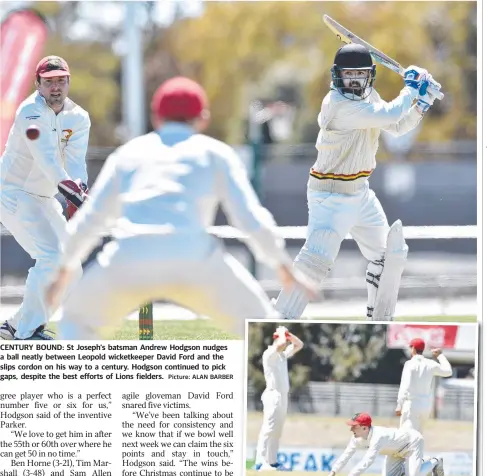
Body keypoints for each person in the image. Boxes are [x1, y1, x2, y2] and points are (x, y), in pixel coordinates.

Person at [45, 77, 316, 339]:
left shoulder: (128, 153)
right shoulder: (216, 153)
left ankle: (85, 386)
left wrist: (64, 270)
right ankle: (277, 385)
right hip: (195, 258)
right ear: (203, 118)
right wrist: (283, 267)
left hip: (130, 257)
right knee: (263, 332)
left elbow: (92, 219)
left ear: (155, 117)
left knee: (75, 322)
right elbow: (249, 218)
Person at [274, 43, 441, 321]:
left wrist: (422, 103)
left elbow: (397, 127)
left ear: (369, 76)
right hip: (330, 195)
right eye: (348, 74)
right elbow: (390, 114)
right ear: (337, 75)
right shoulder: (337, 105)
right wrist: (411, 89)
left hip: (361, 193)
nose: (353, 80)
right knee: (316, 260)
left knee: (388, 257)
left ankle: (378, 319)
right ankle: (280, 318)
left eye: (359, 74)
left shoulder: (370, 98)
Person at [0, 55, 90, 340]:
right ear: (37, 83)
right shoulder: (30, 112)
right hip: (14, 193)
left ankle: (15, 325)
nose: (55, 87)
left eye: (61, 80)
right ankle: (27, 333)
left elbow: (76, 164)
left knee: (71, 268)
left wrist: (80, 189)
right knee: (50, 257)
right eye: (49, 81)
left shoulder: (79, 117)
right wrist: (71, 192)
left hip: (45, 197)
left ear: (68, 82)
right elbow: (48, 160)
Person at [317, 412, 444, 476]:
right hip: (394, 451)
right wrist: (330, 475)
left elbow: (367, 461)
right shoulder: (356, 437)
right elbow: (346, 455)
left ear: (365, 428)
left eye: (354, 426)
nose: (351, 429)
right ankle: (419, 465)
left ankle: (434, 461)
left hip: (412, 443)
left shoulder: (378, 437)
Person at [254, 326, 303, 471]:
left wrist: (288, 334)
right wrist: (282, 333)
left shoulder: (282, 355)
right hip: (272, 394)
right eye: (284, 340)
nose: (287, 344)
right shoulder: (269, 353)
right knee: (268, 428)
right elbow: (281, 344)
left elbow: (299, 345)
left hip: (282, 396)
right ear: (276, 339)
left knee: (277, 430)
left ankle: (272, 461)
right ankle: (260, 462)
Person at [395, 338, 452, 433]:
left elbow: (405, 386)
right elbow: (448, 371)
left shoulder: (409, 364)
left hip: (412, 405)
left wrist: (399, 404)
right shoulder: (430, 364)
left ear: (413, 348)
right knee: (417, 436)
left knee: (405, 436)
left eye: (410, 347)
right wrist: (440, 356)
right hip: (425, 406)